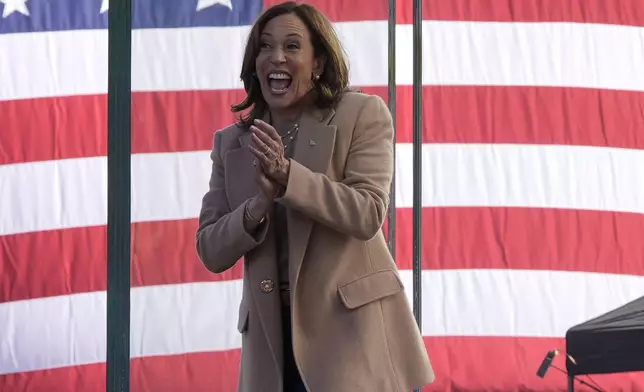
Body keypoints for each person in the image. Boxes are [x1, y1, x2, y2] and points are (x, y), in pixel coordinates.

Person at [195, 1, 434, 391]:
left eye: (292, 46)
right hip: (272, 345)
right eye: (265, 46)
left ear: (318, 62)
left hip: (353, 339)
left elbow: (368, 212)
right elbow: (210, 249)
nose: (276, 57)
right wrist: (257, 206)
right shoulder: (232, 143)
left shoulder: (361, 113)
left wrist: (289, 177)